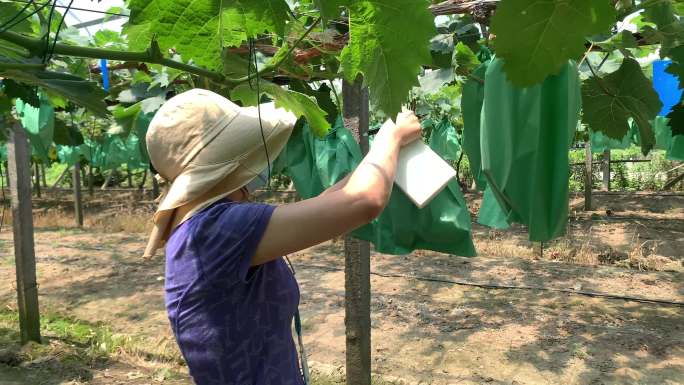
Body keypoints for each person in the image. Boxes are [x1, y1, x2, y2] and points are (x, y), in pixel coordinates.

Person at [143, 88, 422, 385]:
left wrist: (379, 158)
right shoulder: (217, 229)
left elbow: (329, 202)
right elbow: (365, 201)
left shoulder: (198, 230)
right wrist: (390, 136)